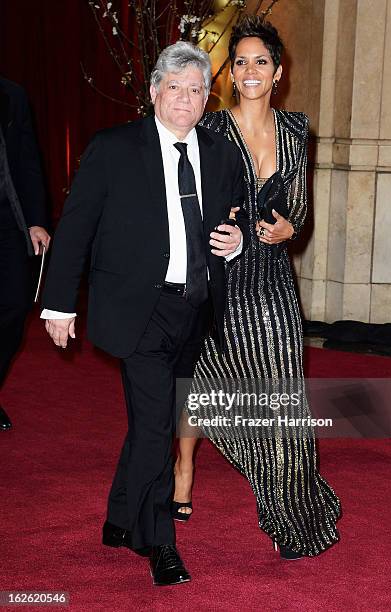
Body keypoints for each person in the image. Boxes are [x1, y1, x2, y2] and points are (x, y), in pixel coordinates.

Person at [41, 41, 248, 586]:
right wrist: (59, 304)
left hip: (196, 310)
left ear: (208, 98)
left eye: (196, 89)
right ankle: (159, 543)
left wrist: (236, 243)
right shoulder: (113, 148)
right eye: (174, 87)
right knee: (157, 426)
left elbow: (227, 225)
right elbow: (76, 229)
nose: (185, 98)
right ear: (154, 91)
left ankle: (117, 518)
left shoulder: (222, 155)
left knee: (152, 422)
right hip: (138, 311)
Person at [173, 17, 341, 558]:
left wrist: (290, 228)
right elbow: (194, 203)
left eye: (260, 61)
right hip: (221, 277)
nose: (249, 70)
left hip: (271, 280)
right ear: (230, 73)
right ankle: (184, 464)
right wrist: (227, 234)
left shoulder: (296, 130)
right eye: (240, 61)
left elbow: (299, 211)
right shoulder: (211, 130)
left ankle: (290, 507)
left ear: (278, 72)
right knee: (208, 380)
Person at [0, 77, 50, 431]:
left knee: (15, 306)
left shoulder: (12, 94)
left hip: (7, 219)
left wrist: (36, 220)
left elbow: (28, 160)